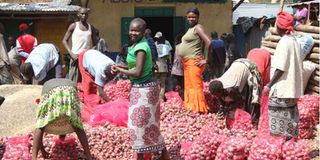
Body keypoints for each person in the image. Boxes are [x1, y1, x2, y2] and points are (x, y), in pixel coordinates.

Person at [114, 18, 170, 160]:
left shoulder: (141, 48)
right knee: (147, 124)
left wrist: (121, 71)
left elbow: (137, 72)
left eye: (136, 30)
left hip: (145, 89)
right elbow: (135, 67)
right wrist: (120, 67)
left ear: (144, 32)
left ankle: (142, 156)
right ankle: (163, 153)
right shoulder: (136, 44)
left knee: (139, 124)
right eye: (131, 30)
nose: (133, 33)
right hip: (140, 88)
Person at [263, 12, 303, 140]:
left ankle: (279, 148)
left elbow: (280, 68)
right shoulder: (294, 41)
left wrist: (269, 85)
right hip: (292, 89)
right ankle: (290, 147)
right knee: (290, 119)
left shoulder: (284, 42)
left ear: (279, 27)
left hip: (282, 89)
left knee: (278, 124)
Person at [32, 78, 92, 160]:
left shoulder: (45, 93)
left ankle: (33, 157)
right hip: (70, 91)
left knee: (40, 125)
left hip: (52, 91)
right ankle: (89, 156)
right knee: (76, 123)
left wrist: (43, 151)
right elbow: (65, 116)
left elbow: (41, 125)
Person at [209, 58, 262, 126]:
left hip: (249, 66)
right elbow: (222, 102)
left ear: (221, 91)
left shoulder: (231, 89)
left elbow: (240, 101)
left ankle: (255, 124)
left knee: (253, 100)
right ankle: (246, 123)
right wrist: (222, 110)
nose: (216, 96)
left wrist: (228, 109)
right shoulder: (217, 86)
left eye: (217, 95)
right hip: (236, 64)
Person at [177, 7, 211, 113]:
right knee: (189, 85)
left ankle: (199, 109)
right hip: (188, 62)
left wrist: (206, 59)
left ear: (198, 17)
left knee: (195, 85)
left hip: (194, 61)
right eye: (189, 17)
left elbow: (208, 42)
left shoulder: (198, 27)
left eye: (193, 17)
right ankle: (191, 107)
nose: (191, 19)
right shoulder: (190, 29)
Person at [62, 7, 97, 82]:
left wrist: (90, 51)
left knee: (85, 80)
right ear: (78, 15)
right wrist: (71, 54)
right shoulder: (74, 26)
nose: (84, 15)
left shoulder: (91, 28)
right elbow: (64, 41)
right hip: (75, 57)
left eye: (86, 14)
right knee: (74, 80)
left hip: (86, 58)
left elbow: (95, 44)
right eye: (82, 14)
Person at [154, 31, 172, 99]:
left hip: (156, 67)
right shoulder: (166, 47)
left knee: (156, 84)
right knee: (162, 84)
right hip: (164, 67)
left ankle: (156, 98)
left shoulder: (155, 47)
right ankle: (161, 98)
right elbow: (169, 58)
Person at [170, 33, 184, 99]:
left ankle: (174, 99)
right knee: (182, 86)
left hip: (175, 69)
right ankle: (182, 99)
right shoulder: (184, 46)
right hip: (182, 69)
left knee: (174, 87)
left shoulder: (176, 46)